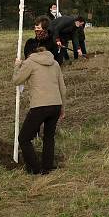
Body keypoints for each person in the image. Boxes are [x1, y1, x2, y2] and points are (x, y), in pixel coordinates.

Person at [12, 46, 66, 175]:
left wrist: (17, 66)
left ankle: (34, 169)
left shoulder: (29, 62)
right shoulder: (55, 63)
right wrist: (62, 108)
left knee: (24, 138)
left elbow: (16, 80)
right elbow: (62, 88)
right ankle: (47, 167)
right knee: (49, 137)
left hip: (40, 106)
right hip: (56, 105)